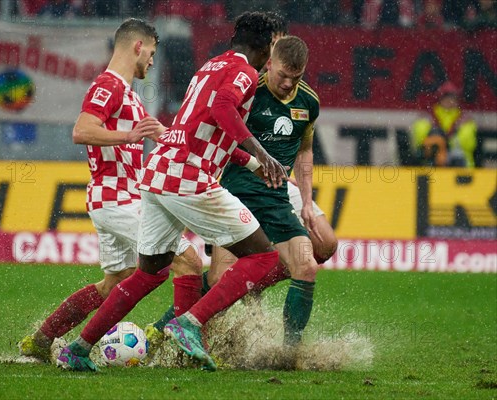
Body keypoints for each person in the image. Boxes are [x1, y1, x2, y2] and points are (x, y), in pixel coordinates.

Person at [56, 11, 288, 372]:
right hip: (189, 178)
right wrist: (261, 150)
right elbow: (224, 108)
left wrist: (256, 165)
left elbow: (203, 126)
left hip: (157, 174)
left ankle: (79, 348)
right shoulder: (244, 73)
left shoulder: (211, 66)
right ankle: (190, 323)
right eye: (277, 41)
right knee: (265, 258)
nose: (278, 49)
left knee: (150, 273)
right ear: (267, 43)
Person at [17, 18, 202, 366]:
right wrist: (128, 136)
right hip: (117, 199)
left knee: (114, 283)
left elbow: (160, 137)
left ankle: (42, 340)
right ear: (137, 46)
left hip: (118, 198)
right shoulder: (109, 85)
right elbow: (82, 129)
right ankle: (184, 350)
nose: (152, 60)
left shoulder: (129, 95)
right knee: (186, 260)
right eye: (151, 52)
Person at [146, 36, 337, 358]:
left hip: (279, 190)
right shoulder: (248, 91)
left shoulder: (309, 102)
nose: (288, 84)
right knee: (221, 278)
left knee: (322, 249)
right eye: (282, 76)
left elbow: (304, 151)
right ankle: (166, 324)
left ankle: (289, 352)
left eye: (297, 77)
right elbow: (222, 131)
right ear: (269, 63)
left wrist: (306, 201)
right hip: (239, 186)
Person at [412, 81, 477, 167]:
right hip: (432, 167)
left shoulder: (465, 119)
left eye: (452, 98)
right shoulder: (428, 117)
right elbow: (419, 141)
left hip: (461, 168)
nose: (449, 101)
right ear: (440, 99)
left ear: (457, 100)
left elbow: (468, 144)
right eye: (446, 98)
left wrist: (445, 144)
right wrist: (435, 144)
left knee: (457, 156)